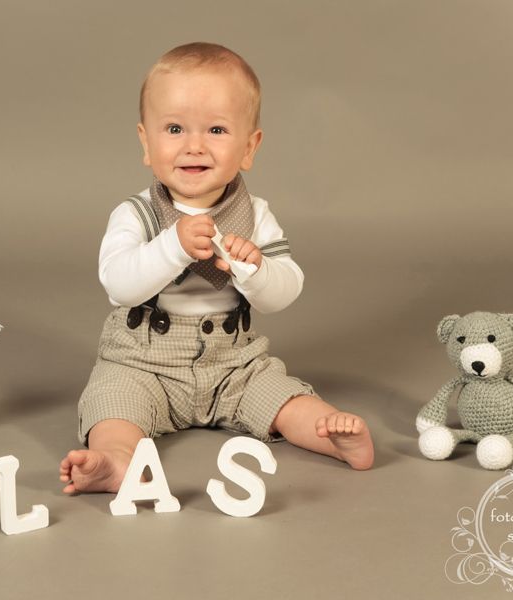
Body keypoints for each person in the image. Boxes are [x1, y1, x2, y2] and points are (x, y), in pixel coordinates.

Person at [60, 42, 374, 494]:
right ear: (146, 143)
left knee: (280, 396)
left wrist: (256, 270)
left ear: (249, 147)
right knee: (113, 403)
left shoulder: (256, 215)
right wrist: (173, 246)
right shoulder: (137, 214)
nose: (194, 146)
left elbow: (286, 291)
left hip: (233, 364)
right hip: (143, 364)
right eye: (174, 128)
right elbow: (119, 285)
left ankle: (330, 433)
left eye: (217, 130)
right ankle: (117, 460)